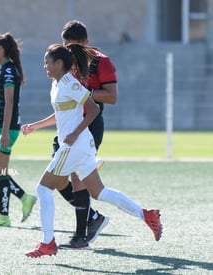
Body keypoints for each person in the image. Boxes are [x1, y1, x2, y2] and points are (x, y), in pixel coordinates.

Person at [22, 43, 162, 258]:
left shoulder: (70, 83)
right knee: (99, 192)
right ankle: (147, 215)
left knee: (43, 189)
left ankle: (47, 243)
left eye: (47, 62)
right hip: (81, 147)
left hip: (74, 147)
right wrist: (35, 126)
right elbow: (60, 115)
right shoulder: (57, 84)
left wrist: (75, 133)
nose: (44, 66)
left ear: (59, 63)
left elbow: (94, 109)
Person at [54, 20, 118, 249]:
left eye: (75, 45)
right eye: (66, 44)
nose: (71, 49)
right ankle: (93, 218)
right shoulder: (64, 60)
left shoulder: (102, 61)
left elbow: (111, 96)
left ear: (86, 43)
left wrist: (84, 93)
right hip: (66, 125)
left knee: (77, 177)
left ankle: (80, 236)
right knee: (57, 179)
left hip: (89, 124)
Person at [0, 33, 37, 227]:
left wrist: (4, 132)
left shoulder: (9, 70)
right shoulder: (3, 69)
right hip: (0, 126)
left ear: (0, 50)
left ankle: (3, 217)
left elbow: (10, 101)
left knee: (0, 171)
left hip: (6, 127)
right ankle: (24, 197)